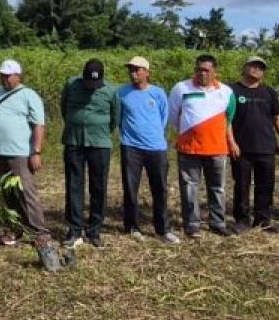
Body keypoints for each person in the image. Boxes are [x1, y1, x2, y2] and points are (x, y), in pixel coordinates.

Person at [0, 59, 51, 247]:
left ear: (17, 75)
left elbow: (39, 125)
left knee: (26, 193)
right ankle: (13, 229)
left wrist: (36, 151)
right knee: (4, 193)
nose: (4, 79)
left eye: (7, 75)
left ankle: (39, 231)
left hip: (19, 153)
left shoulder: (29, 95)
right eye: (2, 75)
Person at [168, 54, 238, 238]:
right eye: (199, 69)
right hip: (189, 149)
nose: (202, 73)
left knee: (218, 187)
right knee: (189, 186)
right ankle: (191, 224)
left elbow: (229, 118)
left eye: (207, 70)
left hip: (217, 149)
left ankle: (217, 222)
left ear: (215, 71)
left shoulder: (227, 92)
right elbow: (173, 116)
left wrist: (230, 142)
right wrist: (185, 133)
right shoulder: (180, 88)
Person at [59, 59, 120, 248]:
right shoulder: (71, 84)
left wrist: (99, 132)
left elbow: (115, 117)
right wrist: (74, 123)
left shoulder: (111, 91)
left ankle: (94, 229)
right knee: (74, 185)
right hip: (74, 141)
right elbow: (63, 108)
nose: (91, 87)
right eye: (88, 82)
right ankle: (74, 229)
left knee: (98, 186)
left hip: (99, 143)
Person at [117, 56, 178, 244]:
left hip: (156, 147)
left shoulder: (158, 93)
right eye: (131, 69)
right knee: (130, 188)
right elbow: (119, 118)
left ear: (147, 72)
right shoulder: (122, 93)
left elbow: (163, 117)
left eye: (137, 69)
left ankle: (162, 229)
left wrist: (153, 135)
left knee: (159, 189)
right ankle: (132, 226)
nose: (133, 73)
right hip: (131, 147)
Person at [229, 57, 279, 234]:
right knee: (241, 185)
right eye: (253, 66)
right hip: (241, 148)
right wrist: (231, 142)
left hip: (266, 146)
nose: (256, 69)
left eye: (260, 67)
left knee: (266, 184)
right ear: (244, 67)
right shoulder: (232, 91)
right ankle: (241, 220)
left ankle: (263, 220)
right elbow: (226, 120)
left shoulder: (269, 92)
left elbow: (278, 117)